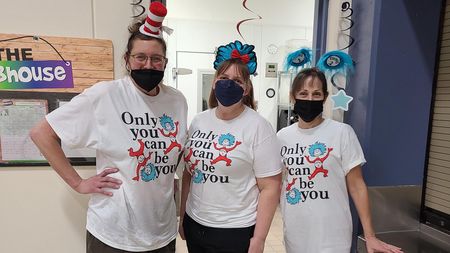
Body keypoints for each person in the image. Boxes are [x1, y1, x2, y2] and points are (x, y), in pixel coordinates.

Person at [29, 2, 187, 253]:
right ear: (127, 59)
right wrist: (78, 184)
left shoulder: (177, 100)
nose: (148, 65)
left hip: (162, 232)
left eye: (156, 59)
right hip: (114, 234)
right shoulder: (106, 95)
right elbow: (41, 133)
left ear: (165, 62)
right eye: (140, 57)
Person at [277, 67, 403, 253]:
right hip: (296, 233)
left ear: (325, 97)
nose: (310, 99)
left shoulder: (342, 132)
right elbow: (276, 185)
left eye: (316, 94)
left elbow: (357, 186)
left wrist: (370, 235)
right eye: (303, 93)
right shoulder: (282, 137)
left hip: (333, 235)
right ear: (292, 96)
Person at [178, 40, 282, 253]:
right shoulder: (199, 120)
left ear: (246, 88)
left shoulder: (259, 127)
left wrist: (259, 239)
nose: (228, 84)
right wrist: (182, 216)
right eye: (224, 78)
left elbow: (270, 187)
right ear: (215, 82)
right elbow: (189, 174)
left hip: (234, 231)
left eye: (237, 80)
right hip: (195, 223)